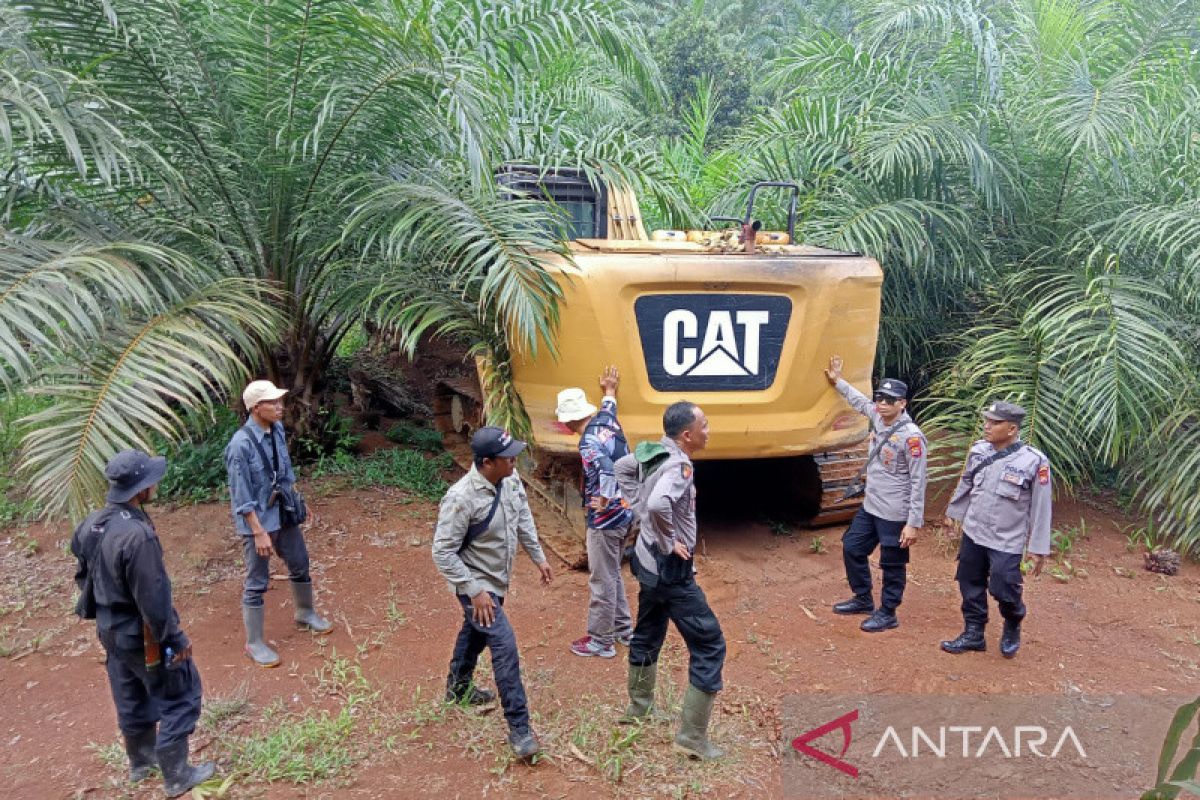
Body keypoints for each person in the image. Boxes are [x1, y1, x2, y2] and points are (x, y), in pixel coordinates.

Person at [71, 450, 216, 798]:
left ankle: (141, 762)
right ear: (140, 489)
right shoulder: (138, 536)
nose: (156, 483)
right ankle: (177, 773)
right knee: (180, 693)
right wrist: (174, 640)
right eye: (151, 479)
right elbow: (154, 601)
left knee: (129, 690)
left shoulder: (92, 523)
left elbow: (82, 573)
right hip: (141, 631)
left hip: (109, 628)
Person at [431, 426, 555, 761]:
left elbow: (523, 519)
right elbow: (443, 552)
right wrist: (474, 591)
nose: (515, 460)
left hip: (497, 581)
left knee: (474, 633)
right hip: (474, 584)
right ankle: (520, 730)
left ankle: (458, 690)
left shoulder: (510, 480)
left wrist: (538, 556)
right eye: (508, 457)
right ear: (487, 462)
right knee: (503, 643)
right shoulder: (461, 498)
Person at [614, 401, 727, 761]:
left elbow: (621, 467)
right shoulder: (679, 465)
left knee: (648, 628)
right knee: (710, 644)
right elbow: (661, 504)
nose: (709, 431)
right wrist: (667, 539)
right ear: (687, 435)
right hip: (669, 569)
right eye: (704, 426)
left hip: (645, 563)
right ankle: (692, 738)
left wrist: (637, 507)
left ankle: (640, 707)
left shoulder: (654, 450)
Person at [225, 379, 333, 668]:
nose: (280, 406)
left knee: (300, 561)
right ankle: (254, 642)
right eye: (273, 403)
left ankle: (305, 612)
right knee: (257, 580)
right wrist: (258, 532)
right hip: (258, 521)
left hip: (282, 511)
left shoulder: (277, 430)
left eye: (279, 401)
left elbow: (284, 472)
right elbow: (241, 495)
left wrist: (297, 499)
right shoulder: (240, 446)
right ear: (256, 408)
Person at [940, 401, 1052, 658]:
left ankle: (1013, 621)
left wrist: (1037, 548)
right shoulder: (979, 451)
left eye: (994, 423)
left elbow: (1041, 508)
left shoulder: (1034, 462)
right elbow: (966, 483)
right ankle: (973, 633)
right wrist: (953, 517)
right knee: (969, 581)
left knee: (1004, 587)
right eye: (986, 421)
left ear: (1012, 428)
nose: (987, 426)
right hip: (975, 532)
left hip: (1007, 539)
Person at [824, 356, 928, 632]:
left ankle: (888, 612)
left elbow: (919, 481)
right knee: (852, 547)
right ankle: (863, 598)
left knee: (892, 564)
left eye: (889, 400)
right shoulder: (878, 418)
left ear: (902, 404)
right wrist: (838, 381)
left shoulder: (912, 437)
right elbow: (859, 401)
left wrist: (913, 523)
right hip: (871, 506)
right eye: (880, 398)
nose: (882, 404)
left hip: (895, 512)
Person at [555, 366, 634, 659]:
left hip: (606, 519)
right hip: (627, 511)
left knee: (601, 577)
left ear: (568, 421)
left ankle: (601, 640)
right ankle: (624, 630)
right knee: (612, 572)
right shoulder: (606, 420)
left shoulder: (587, 442)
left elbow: (605, 471)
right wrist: (609, 390)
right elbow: (610, 406)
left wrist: (599, 503)